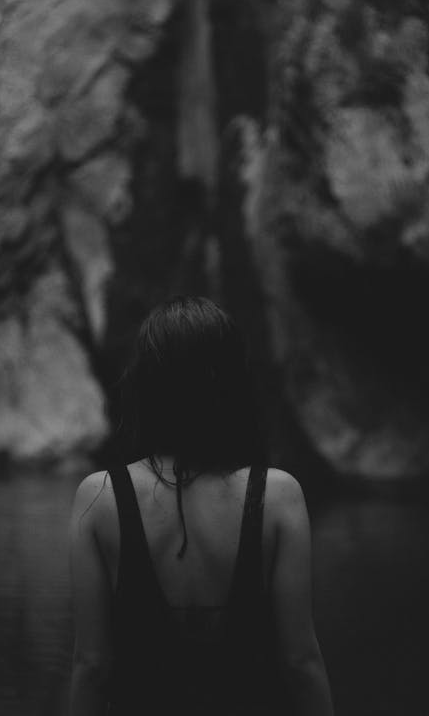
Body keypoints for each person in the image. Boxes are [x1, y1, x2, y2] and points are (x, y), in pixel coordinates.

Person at [69, 295, 334, 716]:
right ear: (230, 383)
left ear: (145, 384)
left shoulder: (98, 497)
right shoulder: (280, 496)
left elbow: (92, 665)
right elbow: (300, 662)